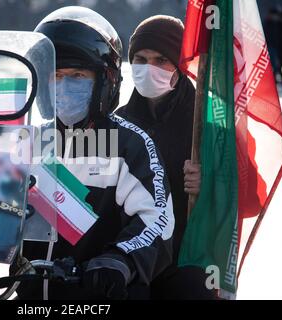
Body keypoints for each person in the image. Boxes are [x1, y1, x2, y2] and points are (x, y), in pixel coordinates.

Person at [13, 6, 174, 300]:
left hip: (103, 293)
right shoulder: (28, 143)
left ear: (105, 81)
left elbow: (157, 219)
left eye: (77, 74)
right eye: (56, 75)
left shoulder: (128, 144)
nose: (64, 85)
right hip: (30, 296)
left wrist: (119, 260)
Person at [115, 15, 216, 299]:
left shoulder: (207, 125)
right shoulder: (118, 123)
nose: (150, 68)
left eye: (162, 60)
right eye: (141, 58)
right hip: (133, 265)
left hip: (189, 265)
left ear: (180, 65)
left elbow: (250, 197)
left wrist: (211, 181)